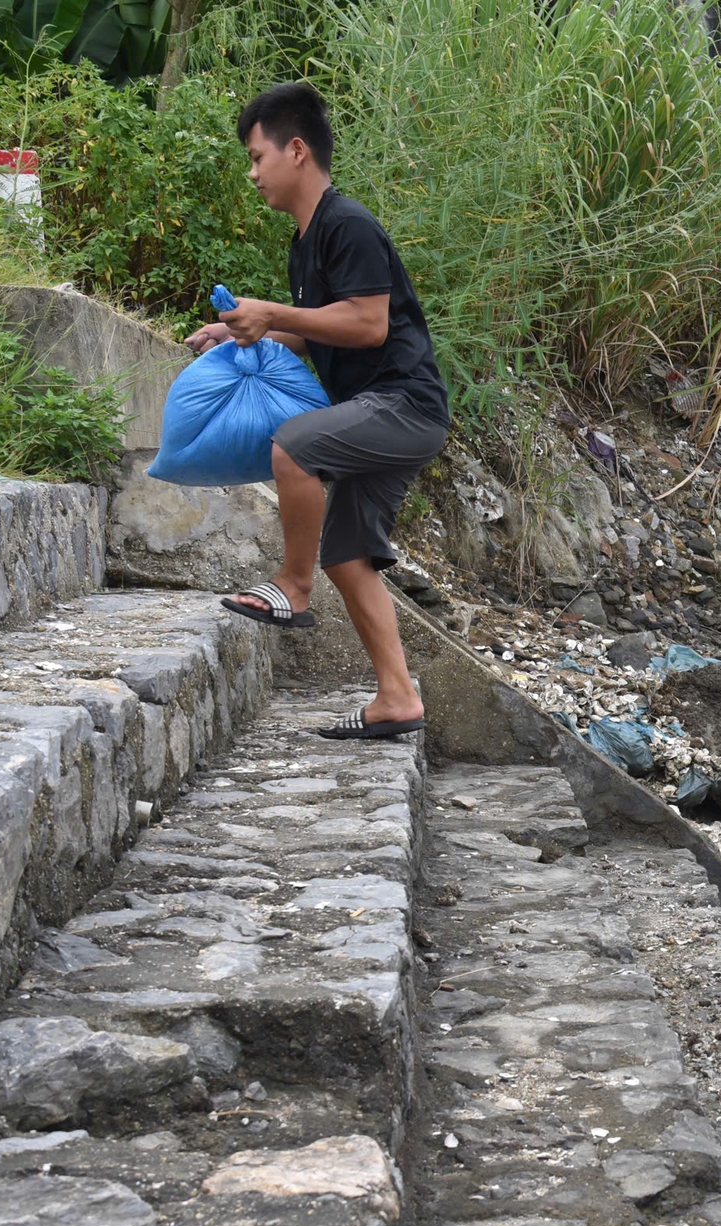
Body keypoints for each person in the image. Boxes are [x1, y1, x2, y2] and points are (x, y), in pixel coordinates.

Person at [186, 82, 450, 741]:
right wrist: (246, 332)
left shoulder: (348, 225)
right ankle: (397, 698)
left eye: (256, 157)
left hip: (404, 404)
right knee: (350, 552)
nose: (252, 174)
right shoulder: (306, 242)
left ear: (296, 150)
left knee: (295, 445)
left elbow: (365, 324)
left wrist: (271, 310)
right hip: (378, 407)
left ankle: (290, 589)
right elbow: (320, 329)